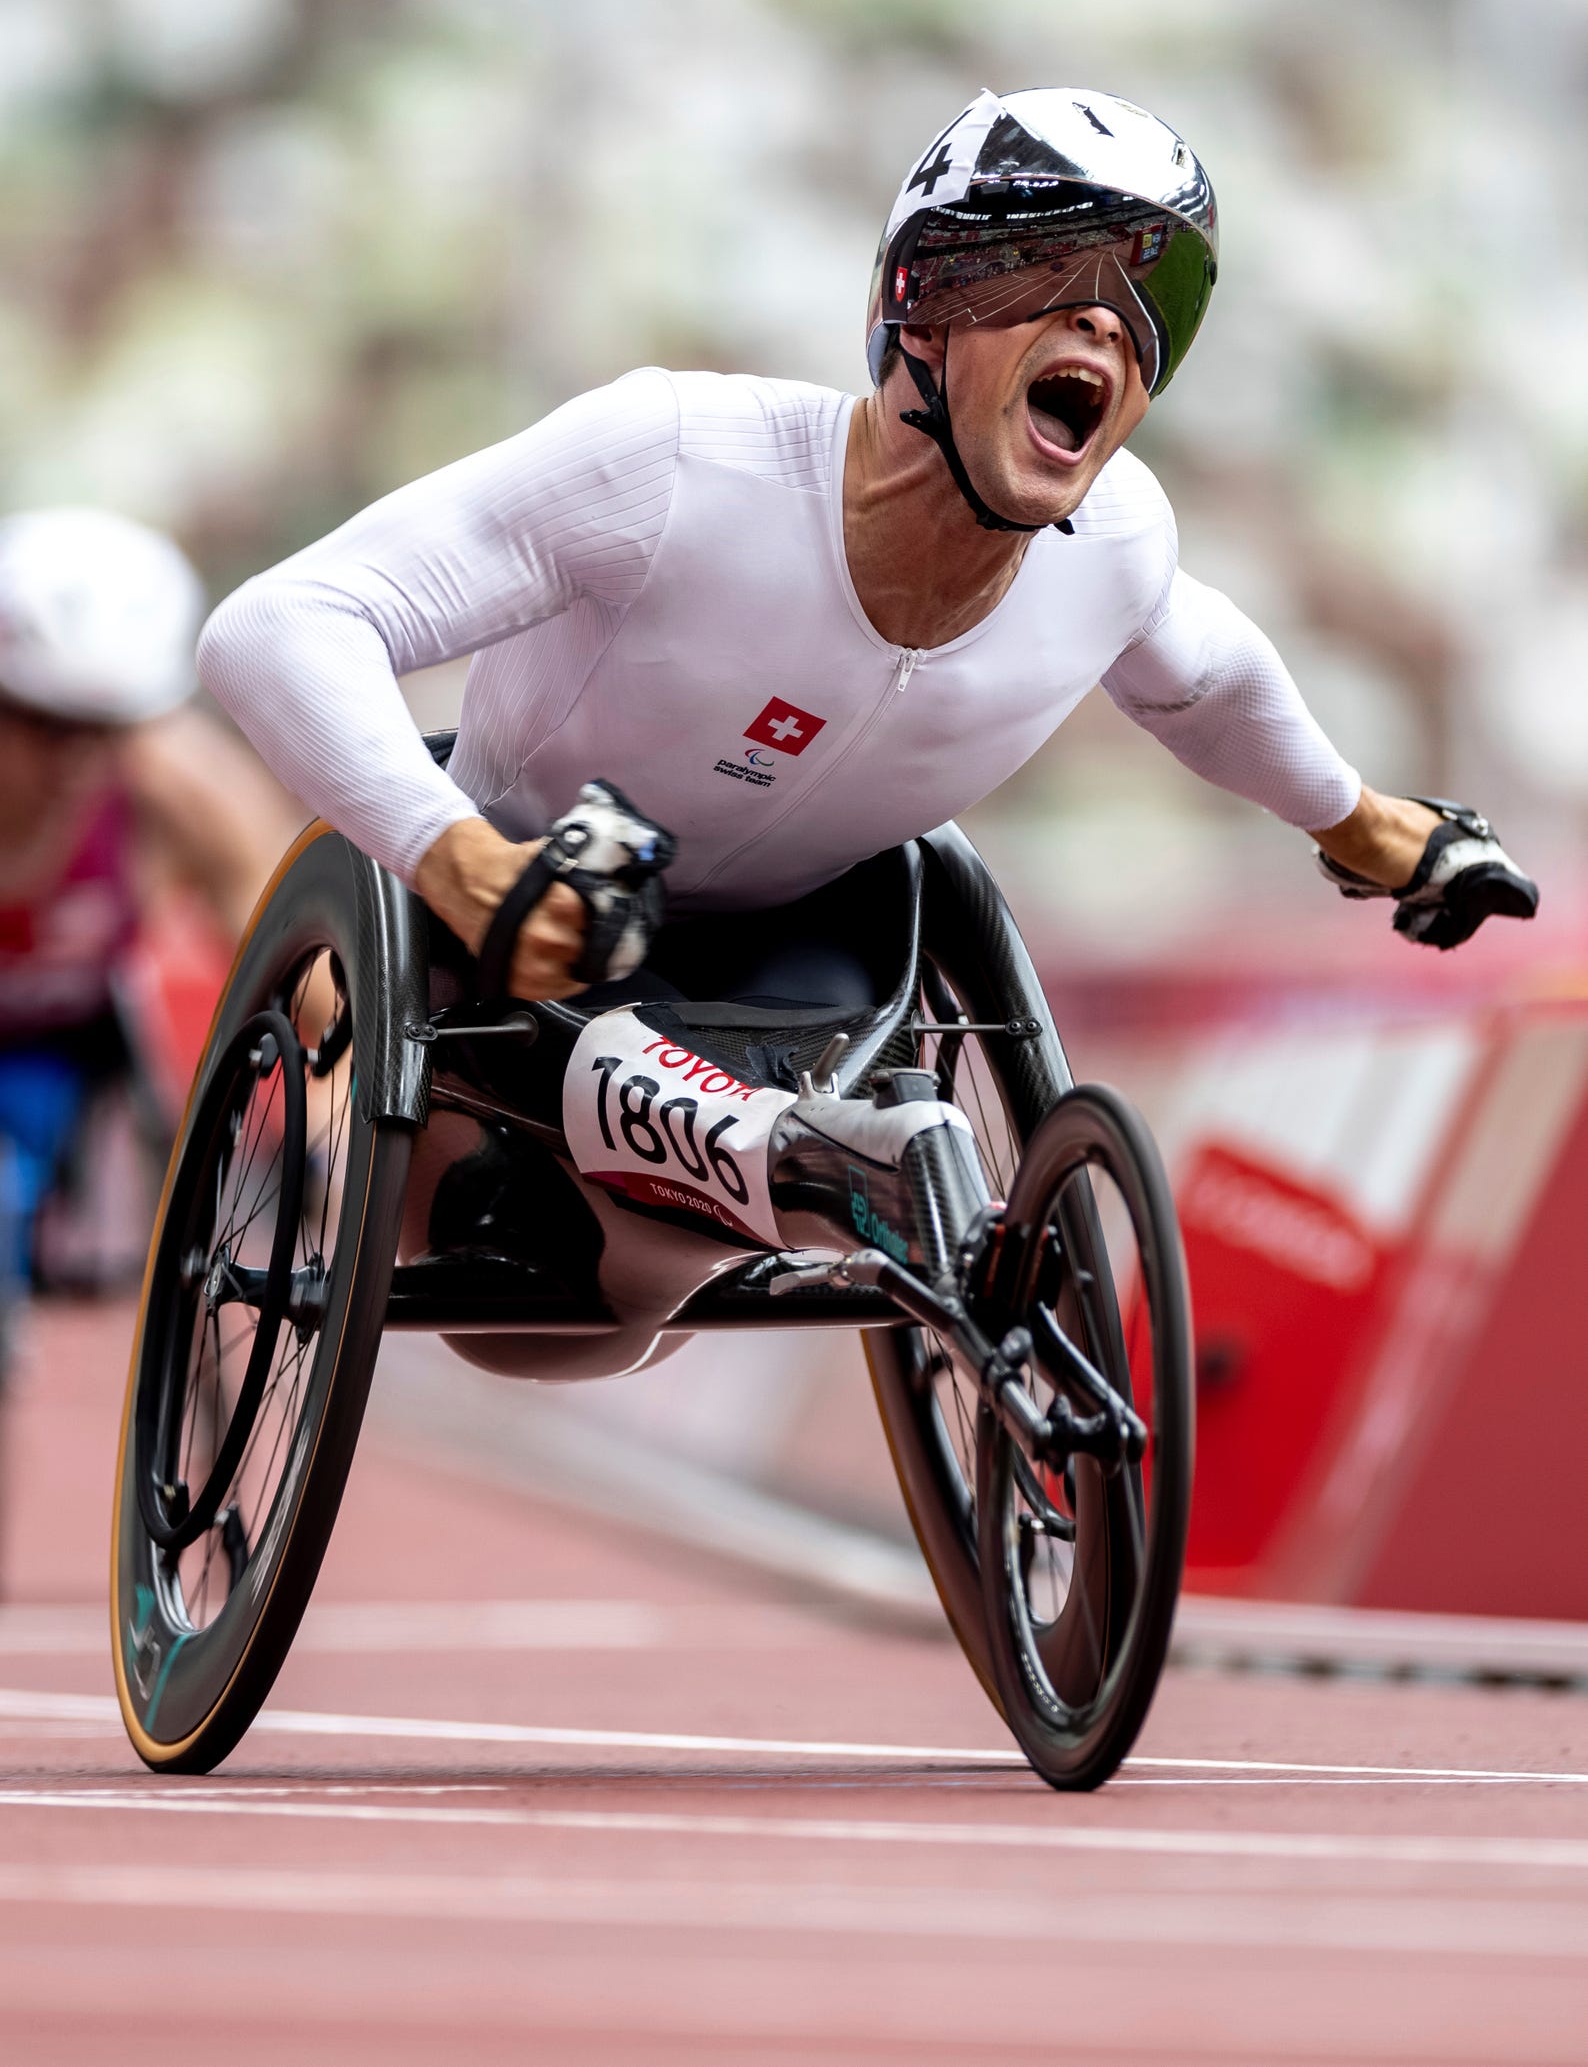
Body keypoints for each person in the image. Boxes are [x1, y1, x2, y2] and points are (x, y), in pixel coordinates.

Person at [194, 86, 1536, 1012]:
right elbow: (276, 624)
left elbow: (1215, 680)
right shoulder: (670, 456)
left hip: (804, 952)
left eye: (1155, 297)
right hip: (523, 912)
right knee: (516, 1254)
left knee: (846, 1155)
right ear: (924, 304)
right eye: (1045, 275)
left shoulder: (1120, 539)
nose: (1110, 325)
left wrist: (1373, 829)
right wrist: (448, 850)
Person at [0, 507, 297, 1322]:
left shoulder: (182, 786)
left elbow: (307, 969)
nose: (73, 762)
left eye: (103, 730)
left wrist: (331, 1125)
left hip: (59, 1062)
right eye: (43, 724)